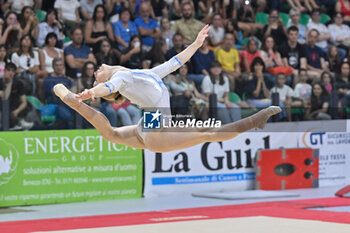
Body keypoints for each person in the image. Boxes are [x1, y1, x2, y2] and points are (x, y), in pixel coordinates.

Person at [53, 25, 281, 153]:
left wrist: (196, 44)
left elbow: (175, 62)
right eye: (95, 78)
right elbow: (109, 87)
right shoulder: (121, 77)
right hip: (156, 134)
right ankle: (255, 120)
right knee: (209, 133)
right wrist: (93, 92)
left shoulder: (142, 75)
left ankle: (75, 104)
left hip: (151, 125)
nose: (95, 72)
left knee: (111, 134)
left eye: (95, 77)